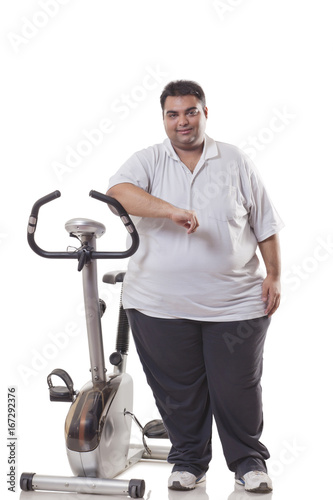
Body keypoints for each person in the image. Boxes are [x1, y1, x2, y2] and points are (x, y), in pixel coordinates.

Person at [107, 80, 284, 493]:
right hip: (158, 304)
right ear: (164, 118)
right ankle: (188, 462)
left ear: (206, 113)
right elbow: (118, 193)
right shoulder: (148, 160)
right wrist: (170, 211)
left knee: (236, 387)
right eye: (173, 114)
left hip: (235, 303)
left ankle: (248, 462)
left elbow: (266, 223)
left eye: (190, 112)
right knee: (177, 392)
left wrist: (274, 275)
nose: (182, 121)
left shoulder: (235, 160)